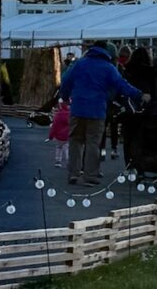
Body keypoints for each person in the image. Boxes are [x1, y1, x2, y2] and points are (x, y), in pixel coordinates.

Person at [61, 41, 150, 185]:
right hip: (97, 110)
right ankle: (90, 175)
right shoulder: (108, 68)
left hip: (77, 108)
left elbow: (66, 81)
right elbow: (122, 85)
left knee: (75, 141)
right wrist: (140, 95)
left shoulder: (79, 64)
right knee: (92, 142)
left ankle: (74, 174)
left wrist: (65, 97)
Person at [48, 99, 70, 168]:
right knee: (67, 148)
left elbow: (54, 126)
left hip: (58, 136)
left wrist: (51, 136)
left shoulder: (57, 115)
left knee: (59, 148)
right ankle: (68, 162)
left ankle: (58, 161)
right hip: (67, 136)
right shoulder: (70, 115)